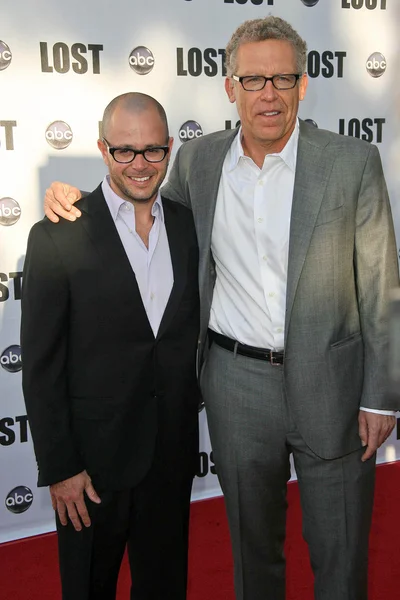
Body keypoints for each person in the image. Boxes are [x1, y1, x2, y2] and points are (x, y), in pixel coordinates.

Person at [43, 17, 399, 600]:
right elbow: (139, 201)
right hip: (236, 385)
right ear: (230, 86)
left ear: (304, 85)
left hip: (333, 385)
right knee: (251, 556)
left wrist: (381, 395)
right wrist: (74, 198)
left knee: (341, 556)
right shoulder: (198, 163)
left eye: (282, 78)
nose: (268, 94)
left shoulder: (351, 162)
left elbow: (383, 281)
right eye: (253, 79)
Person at [21, 92, 200, 600]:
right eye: (125, 151)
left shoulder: (188, 226)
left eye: (152, 151)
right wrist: (60, 468)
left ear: (168, 148)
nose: (140, 165)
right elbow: (40, 365)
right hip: (91, 470)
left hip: (168, 456)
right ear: (103, 149)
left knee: (165, 587)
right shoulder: (58, 235)